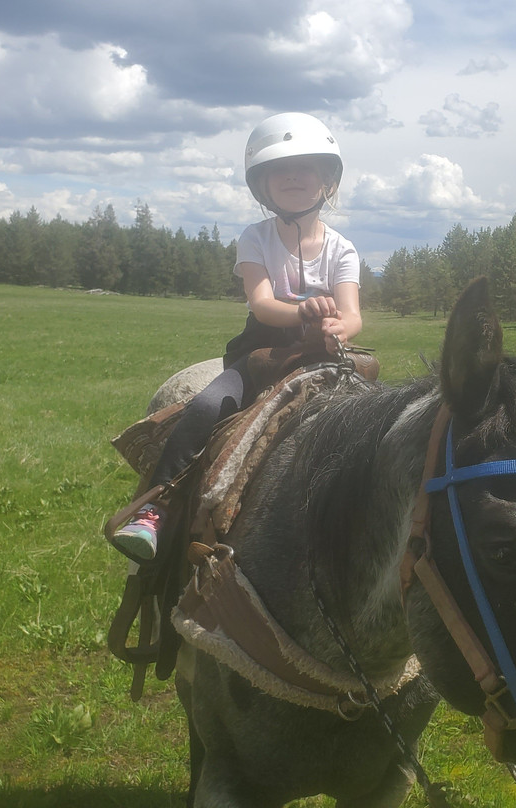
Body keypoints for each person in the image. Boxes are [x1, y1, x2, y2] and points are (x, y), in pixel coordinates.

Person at [111, 113, 362, 563]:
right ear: (262, 185)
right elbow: (262, 303)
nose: (292, 175)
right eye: (279, 168)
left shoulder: (343, 250)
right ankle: (156, 507)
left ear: (327, 181)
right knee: (208, 406)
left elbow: (354, 316)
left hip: (323, 353)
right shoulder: (256, 238)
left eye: (305, 167)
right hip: (262, 351)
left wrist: (337, 326)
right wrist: (303, 309)